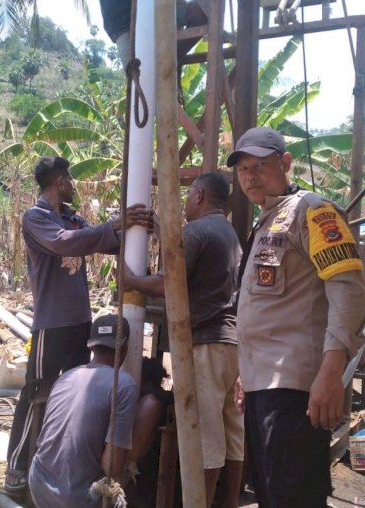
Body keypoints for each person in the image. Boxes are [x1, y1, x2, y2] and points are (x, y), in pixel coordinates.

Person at [226, 127, 365, 507]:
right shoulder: (267, 219)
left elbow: (348, 291)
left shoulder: (312, 210)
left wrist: (331, 373)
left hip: (296, 389)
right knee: (272, 494)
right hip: (263, 385)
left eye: (260, 165)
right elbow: (268, 308)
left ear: (285, 163)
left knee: (294, 496)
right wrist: (246, 372)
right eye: (243, 169)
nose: (251, 176)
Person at [5, 156, 152, 493]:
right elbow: (63, 243)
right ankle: (16, 466)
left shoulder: (74, 219)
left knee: (73, 396)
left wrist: (137, 229)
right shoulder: (36, 218)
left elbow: (101, 241)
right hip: (50, 325)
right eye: (69, 179)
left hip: (79, 324)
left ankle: (61, 462)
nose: (73, 185)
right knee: (36, 393)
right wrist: (114, 226)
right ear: (59, 181)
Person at [123, 172, 244, 508]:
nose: (187, 205)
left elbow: (167, 284)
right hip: (232, 344)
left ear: (200, 194)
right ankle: (230, 501)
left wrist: (131, 279)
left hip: (205, 343)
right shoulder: (229, 233)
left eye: (189, 197)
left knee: (205, 436)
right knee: (232, 431)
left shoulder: (197, 231)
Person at [28, 314, 162, 508]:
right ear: (123, 349)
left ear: (91, 347)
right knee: (151, 404)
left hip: (39, 487)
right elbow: (111, 467)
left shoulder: (66, 377)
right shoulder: (123, 384)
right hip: (77, 499)